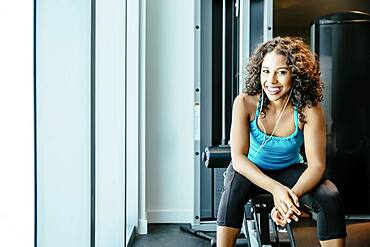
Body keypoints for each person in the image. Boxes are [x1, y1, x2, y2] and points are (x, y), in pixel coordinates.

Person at [216, 37, 347, 247]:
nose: (272, 81)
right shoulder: (245, 102)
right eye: (266, 71)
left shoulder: (309, 108)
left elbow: (317, 166)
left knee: (329, 195)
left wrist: (288, 199)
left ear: (296, 73)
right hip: (250, 168)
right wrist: (276, 190)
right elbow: (239, 159)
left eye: (281, 72)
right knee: (233, 189)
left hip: (289, 169)